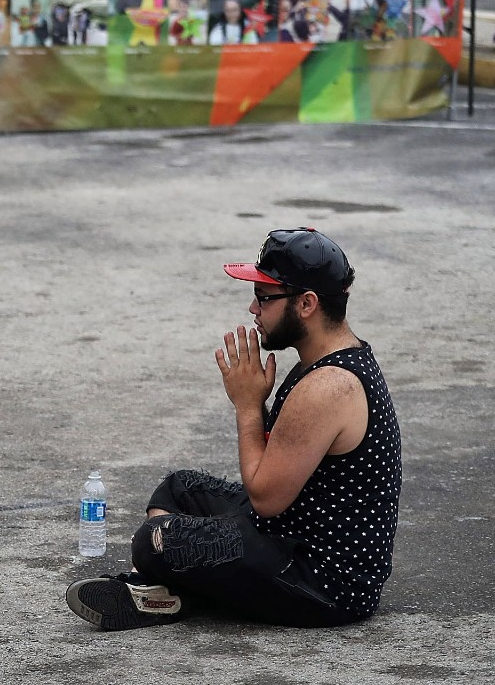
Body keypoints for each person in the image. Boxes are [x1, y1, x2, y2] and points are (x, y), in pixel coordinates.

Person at [66, 228, 400, 631]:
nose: (252, 308)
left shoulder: (329, 387)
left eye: (264, 297)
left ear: (307, 303)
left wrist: (247, 406)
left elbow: (265, 498)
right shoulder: (329, 360)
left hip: (322, 583)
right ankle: (175, 591)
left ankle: (173, 593)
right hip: (291, 534)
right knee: (179, 489)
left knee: (154, 540)